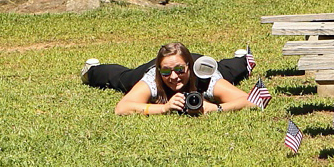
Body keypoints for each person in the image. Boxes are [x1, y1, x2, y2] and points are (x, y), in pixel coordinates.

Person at [81, 42, 255, 115]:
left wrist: (214, 108)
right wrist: (164, 108)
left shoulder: (206, 79)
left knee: (229, 72)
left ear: (189, 67)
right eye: (166, 72)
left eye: (180, 70)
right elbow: (122, 108)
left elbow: (254, 100)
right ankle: (93, 69)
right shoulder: (153, 78)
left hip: (201, 65)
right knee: (124, 79)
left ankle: (243, 59)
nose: (173, 77)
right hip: (148, 68)